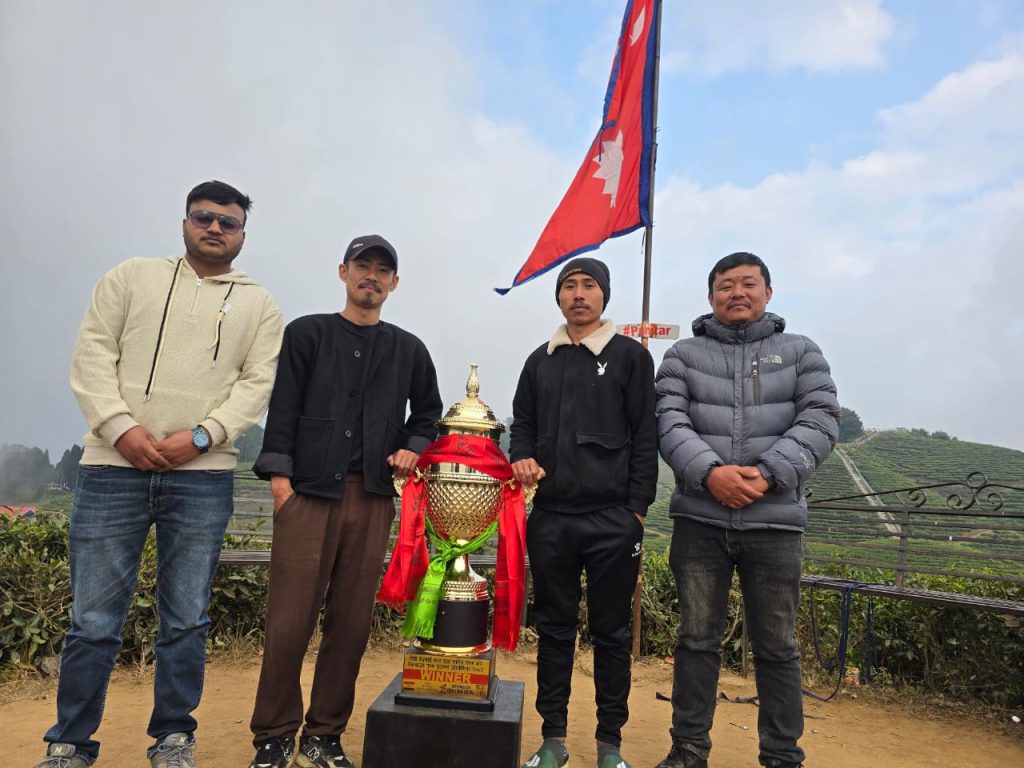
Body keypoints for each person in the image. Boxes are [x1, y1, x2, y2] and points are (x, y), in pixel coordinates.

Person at [38, 181, 284, 768]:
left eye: (229, 222)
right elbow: (92, 354)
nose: (215, 228)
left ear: (242, 235)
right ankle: (70, 743)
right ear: (185, 222)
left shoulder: (261, 307)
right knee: (92, 620)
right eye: (204, 217)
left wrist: (201, 437)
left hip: (203, 476)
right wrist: (120, 427)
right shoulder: (130, 278)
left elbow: (257, 385)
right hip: (111, 468)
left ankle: (173, 738)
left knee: (186, 618)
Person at [246, 235, 442, 768]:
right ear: (343, 272)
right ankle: (274, 736)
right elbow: (283, 408)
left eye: (382, 270)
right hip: (307, 494)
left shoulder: (408, 349)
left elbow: (429, 413)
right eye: (362, 265)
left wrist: (412, 446)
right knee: (288, 622)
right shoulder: (307, 333)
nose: (371, 276)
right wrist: (280, 483)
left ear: (394, 283)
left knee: (351, 624)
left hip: (372, 498)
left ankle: (323, 734)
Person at [653, 252, 839, 768]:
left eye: (748, 284)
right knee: (695, 640)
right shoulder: (682, 355)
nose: (737, 293)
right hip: (700, 520)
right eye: (726, 285)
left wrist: (768, 473)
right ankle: (689, 748)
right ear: (711, 296)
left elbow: (821, 420)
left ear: (768, 292)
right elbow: (668, 421)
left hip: (774, 523)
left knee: (777, 646)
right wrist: (711, 473)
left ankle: (781, 755)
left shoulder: (801, 352)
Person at [510, 257, 657, 768]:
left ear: (604, 295)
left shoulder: (631, 358)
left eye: (588, 285)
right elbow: (522, 425)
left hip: (613, 520)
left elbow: (646, 436)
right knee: (554, 630)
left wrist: (636, 511)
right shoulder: (540, 361)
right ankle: (553, 739)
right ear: (558, 296)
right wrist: (521, 457)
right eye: (568, 285)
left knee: (613, 634)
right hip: (550, 517)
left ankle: (609, 744)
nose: (578, 294)